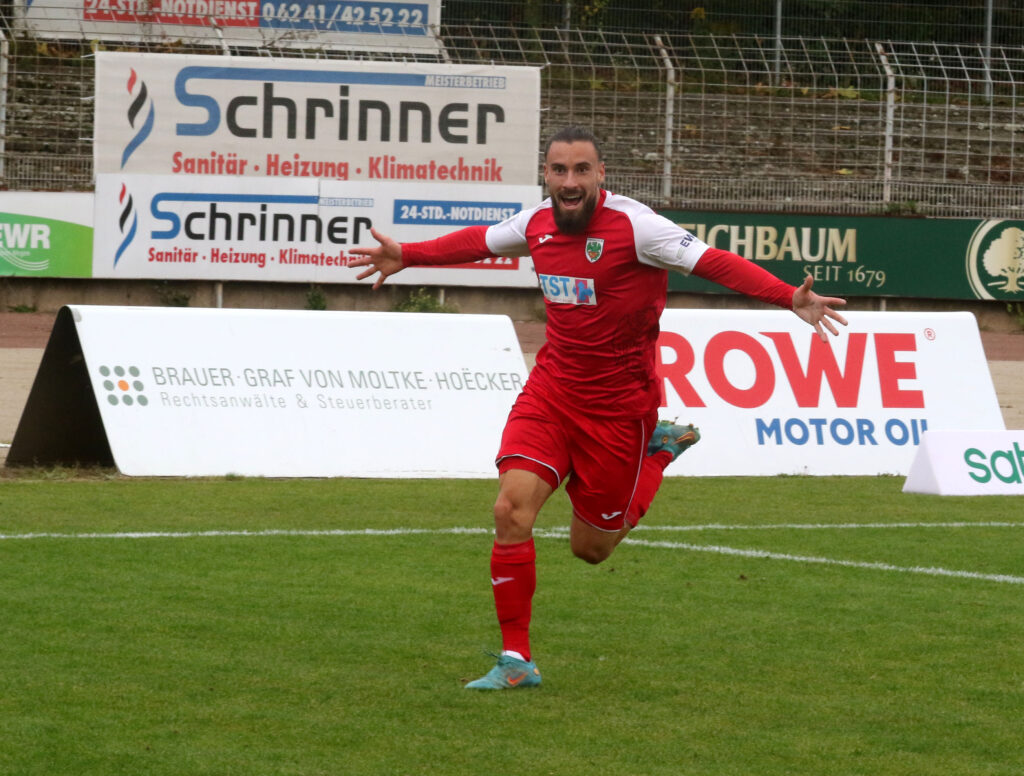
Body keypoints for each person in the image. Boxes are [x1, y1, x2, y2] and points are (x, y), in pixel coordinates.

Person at [350, 125, 847, 690]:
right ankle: (516, 661)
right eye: (559, 170)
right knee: (510, 511)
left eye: (581, 170)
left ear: (600, 175)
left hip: (618, 411)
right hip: (552, 394)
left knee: (591, 549)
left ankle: (657, 453)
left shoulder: (638, 227)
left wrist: (787, 296)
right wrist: (408, 255)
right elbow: (480, 241)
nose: (569, 181)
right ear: (546, 175)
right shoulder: (536, 224)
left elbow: (713, 262)